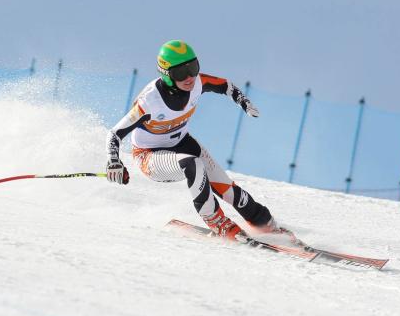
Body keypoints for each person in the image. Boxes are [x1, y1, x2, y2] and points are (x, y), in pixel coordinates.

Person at [106, 40, 283, 241]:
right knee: (193, 165)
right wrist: (114, 162)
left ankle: (263, 222)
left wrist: (243, 101)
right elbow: (114, 134)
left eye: (193, 67)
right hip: (150, 156)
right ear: (166, 74)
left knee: (225, 186)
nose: (189, 77)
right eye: (181, 72)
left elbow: (226, 85)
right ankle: (216, 221)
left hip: (182, 142)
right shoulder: (150, 102)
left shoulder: (198, 82)